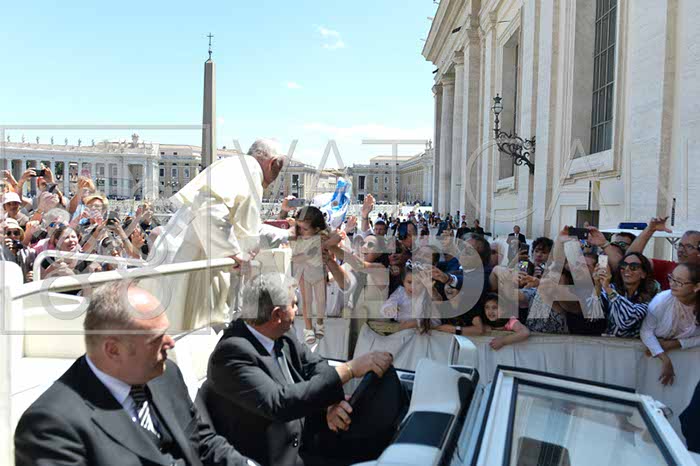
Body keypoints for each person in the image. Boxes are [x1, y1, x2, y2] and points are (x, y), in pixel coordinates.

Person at [14, 283, 256, 466]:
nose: (170, 343)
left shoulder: (166, 375)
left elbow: (203, 443)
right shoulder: (51, 426)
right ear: (113, 350)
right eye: (156, 339)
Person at [204, 274, 394, 466]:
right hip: (274, 457)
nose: (297, 310)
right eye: (294, 304)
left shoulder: (282, 332)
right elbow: (279, 403)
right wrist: (350, 369)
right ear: (276, 315)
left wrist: (330, 405)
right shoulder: (231, 354)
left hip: (308, 435)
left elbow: (315, 365)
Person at [145, 139, 287, 331]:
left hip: (185, 257)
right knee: (190, 333)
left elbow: (244, 228)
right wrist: (232, 253)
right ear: (274, 163)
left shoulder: (239, 166)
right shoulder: (250, 168)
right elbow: (209, 207)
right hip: (192, 262)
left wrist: (288, 234)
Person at [640, 263, 700, 385]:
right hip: (653, 361)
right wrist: (664, 359)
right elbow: (646, 331)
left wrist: (675, 344)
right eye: (671, 278)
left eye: (679, 282)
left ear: (696, 287)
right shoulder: (661, 300)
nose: (672, 284)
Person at [593, 252, 658, 338]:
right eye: (623, 265)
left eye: (633, 267)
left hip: (634, 345)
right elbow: (593, 315)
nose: (626, 269)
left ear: (643, 274)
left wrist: (607, 288)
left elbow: (626, 322)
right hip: (605, 343)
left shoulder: (651, 297)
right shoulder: (612, 288)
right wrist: (597, 285)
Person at [627, 217, 700, 289]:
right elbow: (631, 259)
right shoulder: (668, 268)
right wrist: (650, 229)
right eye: (680, 245)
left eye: (689, 246)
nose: (681, 250)